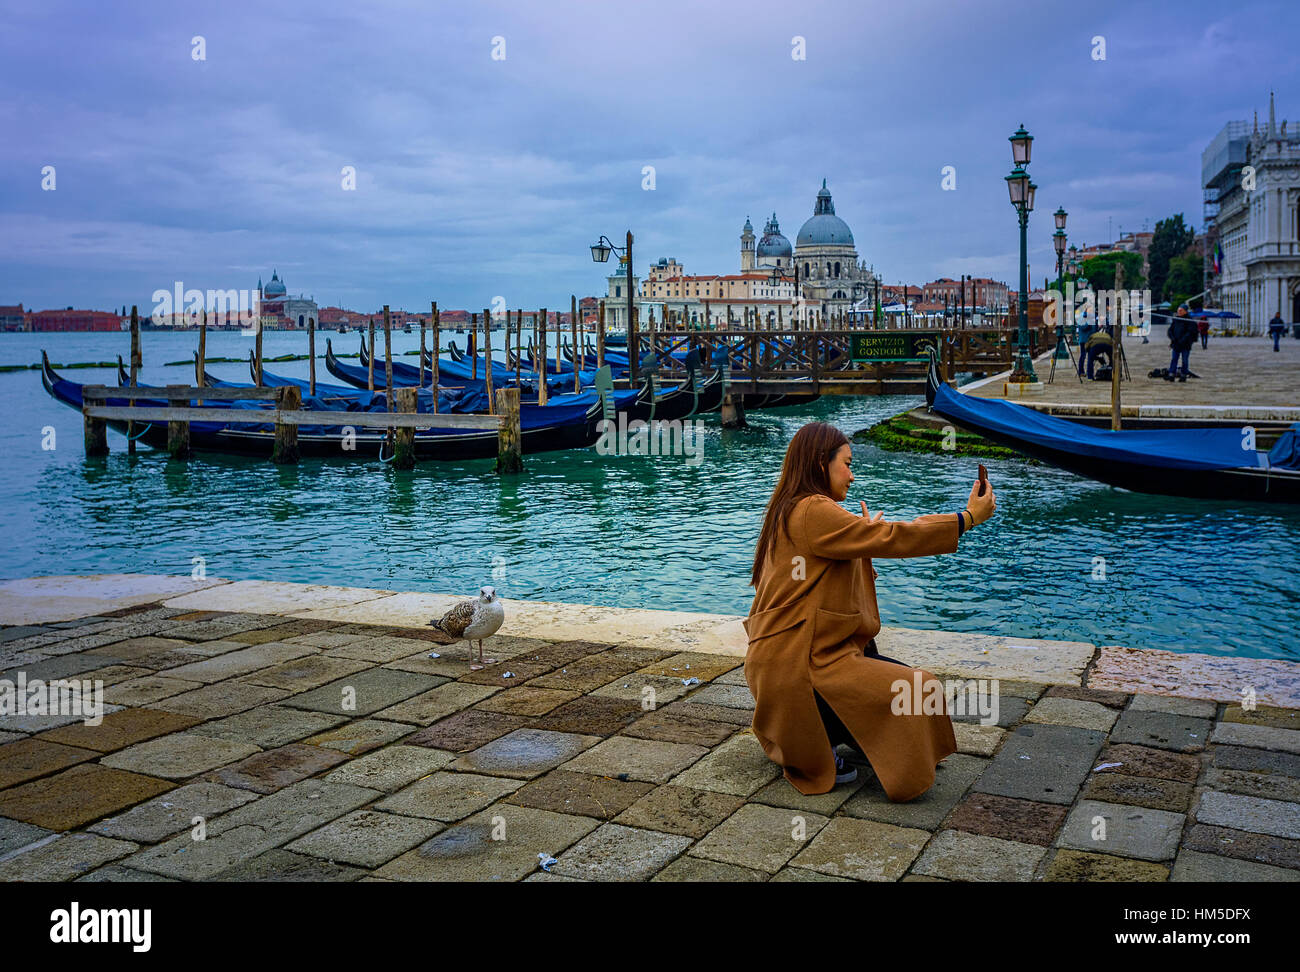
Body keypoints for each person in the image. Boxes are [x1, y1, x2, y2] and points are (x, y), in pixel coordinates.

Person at [743, 422, 997, 800]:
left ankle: (848, 737)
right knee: (917, 688)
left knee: (906, 685)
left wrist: (859, 538)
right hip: (799, 666)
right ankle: (813, 744)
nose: (852, 474)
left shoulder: (794, 508)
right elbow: (894, 536)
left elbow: (829, 572)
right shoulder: (813, 510)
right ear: (819, 463)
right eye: (846, 463)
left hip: (792, 658)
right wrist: (966, 518)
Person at [1165, 304, 1197, 382]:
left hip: (1185, 345)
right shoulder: (1175, 320)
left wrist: (1182, 340)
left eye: (1180, 310)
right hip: (1175, 344)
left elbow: (1190, 333)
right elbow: (1170, 331)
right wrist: (1173, 339)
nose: (1179, 312)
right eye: (1178, 310)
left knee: (1184, 360)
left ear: (1185, 311)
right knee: (1174, 359)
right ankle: (1171, 374)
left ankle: (1183, 375)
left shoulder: (1190, 321)